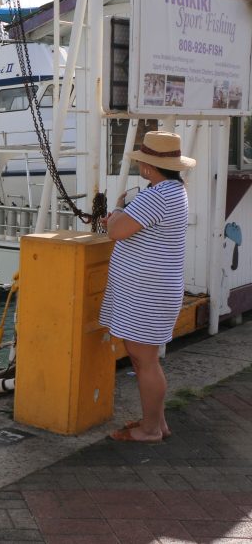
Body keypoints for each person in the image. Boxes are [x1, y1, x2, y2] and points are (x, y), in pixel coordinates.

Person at [101, 131, 195, 443]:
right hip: (154, 289)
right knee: (145, 358)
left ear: (148, 166)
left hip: (147, 292)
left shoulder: (157, 195)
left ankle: (150, 430)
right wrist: (123, 217)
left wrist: (117, 210)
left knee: (145, 361)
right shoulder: (174, 190)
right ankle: (157, 422)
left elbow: (116, 231)